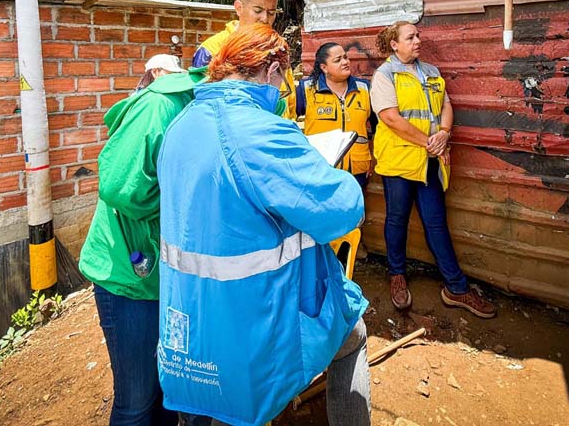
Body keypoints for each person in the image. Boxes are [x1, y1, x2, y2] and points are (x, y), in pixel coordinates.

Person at [157, 24, 371, 426]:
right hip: (255, 316)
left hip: (189, 320)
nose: (282, 90)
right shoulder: (258, 130)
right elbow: (341, 208)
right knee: (352, 332)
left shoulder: (182, 123)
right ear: (273, 68)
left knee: (210, 410)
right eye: (283, 79)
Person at [78, 66, 206, 426]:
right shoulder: (160, 106)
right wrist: (189, 201)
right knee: (136, 400)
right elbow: (121, 188)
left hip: (164, 277)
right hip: (128, 277)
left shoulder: (206, 107)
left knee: (165, 389)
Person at [371, 21, 496, 319]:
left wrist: (444, 133)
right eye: (410, 37)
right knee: (397, 219)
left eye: (418, 36)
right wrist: (431, 143)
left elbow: (445, 106)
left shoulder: (431, 71)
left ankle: (456, 287)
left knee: (436, 222)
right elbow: (390, 118)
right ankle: (397, 275)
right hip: (399, 161)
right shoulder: (384, 75)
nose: (418, 40)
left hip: (429, 161)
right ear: (394, 44)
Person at [192, 0, 296, 118]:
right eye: (258, 10)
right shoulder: (212, 50)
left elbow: (290, 104)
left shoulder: (278, 49)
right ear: (239, 8)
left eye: (271, 13)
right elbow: (202, 105)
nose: (265, 19)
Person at [296, 42, 374, 189]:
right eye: (338, 60)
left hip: (357, 170)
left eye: (345, 57)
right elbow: (286, 120)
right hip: (320, 170)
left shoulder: (364, 89)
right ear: (324, 67)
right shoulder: (306, 90)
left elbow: (378, 127)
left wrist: (372, 159)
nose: (345, 62)